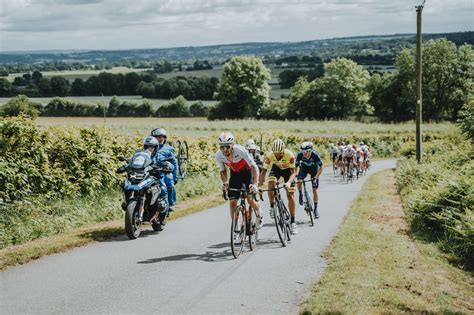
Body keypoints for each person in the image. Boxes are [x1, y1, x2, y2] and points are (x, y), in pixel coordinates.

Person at [215, 132, 263, 234]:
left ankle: (259, 213)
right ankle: (235, 227)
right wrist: (224, 183)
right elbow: (223, 170)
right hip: (235, 174)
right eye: (222, 147)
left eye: (227, 147)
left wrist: (255, 184)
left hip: (247, 172)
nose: (225, 150)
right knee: (232, 202)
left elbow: (254, 167)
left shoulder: (240, 150)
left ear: (232, 145)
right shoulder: (219, 155)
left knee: (250, 200)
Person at [258, 138, 298, 234]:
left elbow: (294, 172)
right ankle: (272, 206)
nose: (278, 155)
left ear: (283, 150)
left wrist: (288, 183)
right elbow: (263, 171)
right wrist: (260, 186)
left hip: (288, 171)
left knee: (290, 195)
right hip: (276, 169)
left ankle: (293, 222)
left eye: (280, 153)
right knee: (271, 183)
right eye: (276, 154)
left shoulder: (290, 155)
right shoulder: (270, 155)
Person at [151, 128, 179, 216]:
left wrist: (176, 176)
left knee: (169, 182)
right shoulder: (149, 147)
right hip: (151, 171)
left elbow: (174, 163)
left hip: (164, 171)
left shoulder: (169, 149)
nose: (160, 138)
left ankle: (171, 203)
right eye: (158, 136)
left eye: (162, 136)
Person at [296, 141, 323, 219]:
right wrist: (296, 174)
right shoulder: (300, 155)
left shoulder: (315, 155)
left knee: (315, 190)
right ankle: (300, 193)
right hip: (304, 169)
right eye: (302, 151)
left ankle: (315, 210)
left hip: (314, 170)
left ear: (310, 150)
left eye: (306, 151)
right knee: (299, 181)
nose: (304, 153)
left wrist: (316, 177)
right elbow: (296, 166)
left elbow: (321, 167)